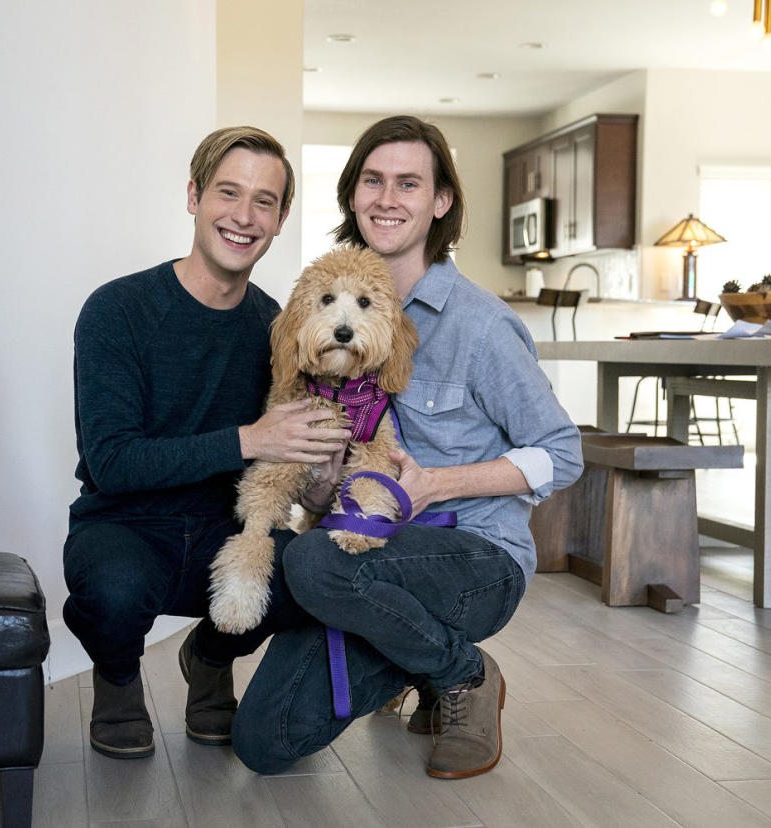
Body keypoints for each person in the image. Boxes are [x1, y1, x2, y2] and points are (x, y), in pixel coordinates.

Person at [231, 115, 583, 779]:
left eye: (409, 183)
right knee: (264, 741)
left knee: (312, 563)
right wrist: (316, 479)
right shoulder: (328, 310)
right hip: (364, 559)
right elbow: (318, 477)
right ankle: (413, 655)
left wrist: (438, 485)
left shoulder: (479, 327)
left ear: (439, 201)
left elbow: (563, 452)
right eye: (373, 180)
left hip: (473, 559)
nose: (387, 198)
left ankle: (464, 674)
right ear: (352, 194)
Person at [63, 126, 351, 760]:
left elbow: (287, 456)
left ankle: (211, 655)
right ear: (194, 196)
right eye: (228, 192)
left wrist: (325, 476)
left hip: (228, 530)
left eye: (265, 202)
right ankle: (115, 679)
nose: (244, 217)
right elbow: (111, 463)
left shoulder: (282, 327)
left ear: (279, 222)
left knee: (310, 572)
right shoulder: (117, 310)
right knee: (111, 591)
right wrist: (250, 438)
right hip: (125, 525)